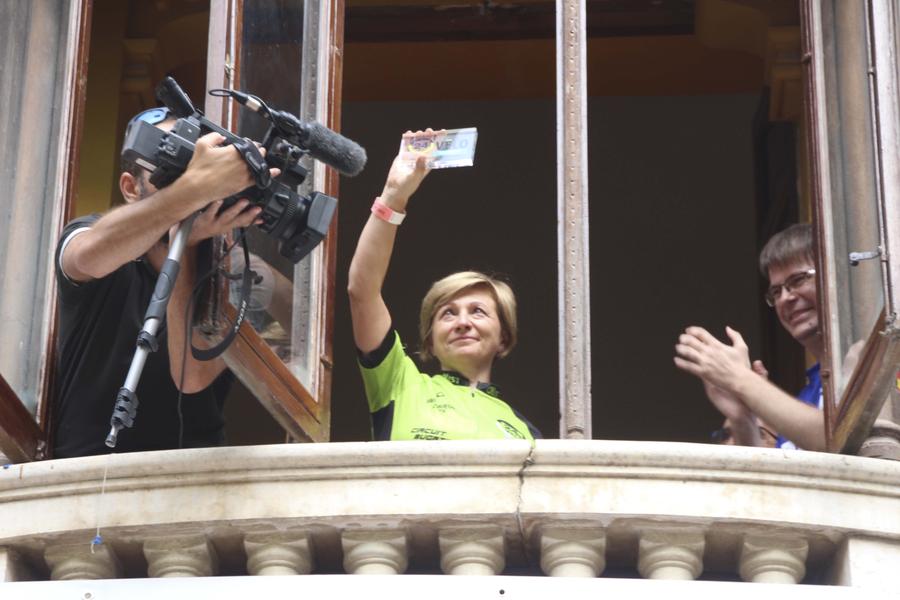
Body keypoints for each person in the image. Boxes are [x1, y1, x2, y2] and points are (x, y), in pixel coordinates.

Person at [53, 107, 276, 457]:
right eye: (169, 169)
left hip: (193, 476)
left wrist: (186, 245)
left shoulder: (231, 270)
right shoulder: (96, 233)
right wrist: (193, 190)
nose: (186, 182)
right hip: (87, 469)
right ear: (130, 187)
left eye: (191, 168)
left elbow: (192, 376)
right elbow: (87, 256)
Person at [347, 132, 540, 441]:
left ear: (504, 338)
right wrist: (393, 197)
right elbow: (362, 290)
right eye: (448, 314)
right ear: (431, 342)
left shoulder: (525, 432)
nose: (463, 323)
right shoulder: (401, 382)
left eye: (478, 312)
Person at [674, 223, 825, 451]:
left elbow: (836, 440)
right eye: (776, 291)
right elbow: (770, 484)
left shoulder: (876, 361)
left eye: (798, 280)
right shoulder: (810, 393)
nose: (785, 298)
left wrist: (739, 378)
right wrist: (742, 419)